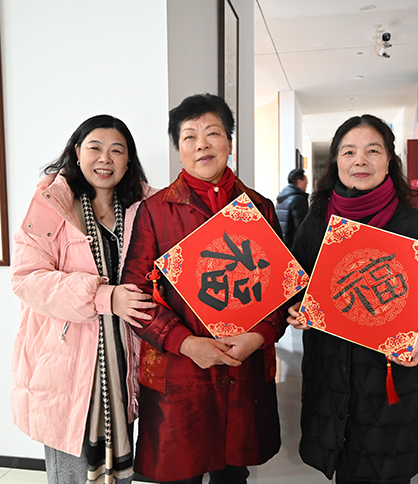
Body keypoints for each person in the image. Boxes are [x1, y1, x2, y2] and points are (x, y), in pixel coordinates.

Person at [121, 93, 286, 484]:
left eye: (212, 133)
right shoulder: (155, 211)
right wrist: (185, 343)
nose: (202, 145)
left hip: (242, 364)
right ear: (179, 148)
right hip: (181, 369)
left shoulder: (259, 208)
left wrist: (259, 336)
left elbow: (284, 288)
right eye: (189, 136)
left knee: (234, 473)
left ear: (229, 141)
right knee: (181, 472)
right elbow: (135, 296)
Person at [287, 114, 418, 484]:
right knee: (342, 461)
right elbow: (299, 280)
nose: (360, 160)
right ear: (336, 161)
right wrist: (299, 306)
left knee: (383, 467)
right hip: (329, 371)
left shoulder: (411, 223)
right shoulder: (317, 221)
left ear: (389, 160)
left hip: (386, 374)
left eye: (373, 151)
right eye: (349, 151)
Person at [11, 115, 156, 484]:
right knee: (72, 475)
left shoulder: (145, 207)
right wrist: (104, 297)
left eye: (117, 150)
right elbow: (28, 279)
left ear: (128, 159)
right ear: (77, 152)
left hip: (123, 359)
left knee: (121, 474)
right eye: (95, 147)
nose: (105, 158)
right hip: (67, 362)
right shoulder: (53, 203)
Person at [275, 168, 309, 248]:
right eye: (305, 180)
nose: (307, 183)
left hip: (283, 243)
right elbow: (301, 227)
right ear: (299, 181)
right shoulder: (298, 199)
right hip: (293, 246)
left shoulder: (282, 197)